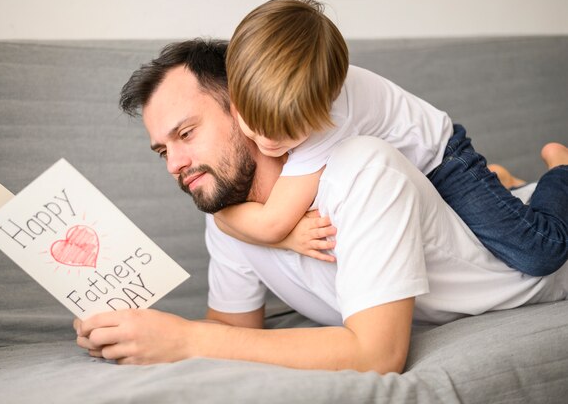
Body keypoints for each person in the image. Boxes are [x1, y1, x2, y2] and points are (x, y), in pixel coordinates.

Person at [74, 39, 568, 372]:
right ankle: (508, 182)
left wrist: (186, 341)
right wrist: (133, 331)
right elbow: (232, 330)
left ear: (245, 109)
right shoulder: (230, 216)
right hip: (456, 213)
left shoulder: (360, 166)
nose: (174, 165)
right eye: (163, 150)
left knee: (535, 237)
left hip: (545, 265)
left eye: (186, 134)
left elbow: (378, 354)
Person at [214, 0, 568, 276]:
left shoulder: (331, 119)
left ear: (327, 102)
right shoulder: (266, 93)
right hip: (403, 179)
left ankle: (559, 168)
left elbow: (274, 223)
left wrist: (223, 216)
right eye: (251, 122)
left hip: (441, 163)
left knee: (538, 253)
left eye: (288, 133)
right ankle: (501, 181)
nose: (267, 142)